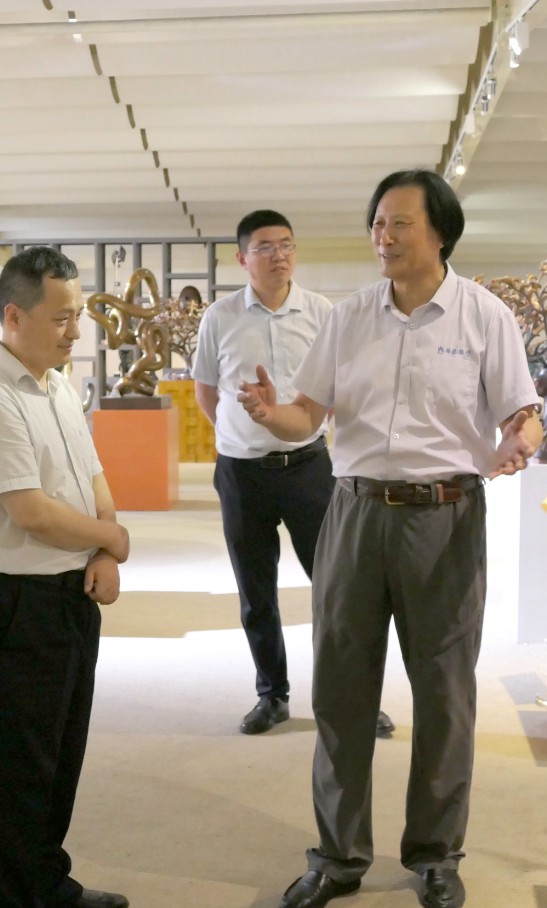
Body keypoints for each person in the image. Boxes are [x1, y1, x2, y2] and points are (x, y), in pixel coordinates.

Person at [238, 169, 541, 908]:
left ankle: (436, 854)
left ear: (441, 233)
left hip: (445, 518)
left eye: (399, 222)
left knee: (444, 692)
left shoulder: (484, 316)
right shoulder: (348, 317)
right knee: (341, 690)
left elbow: (522, 413)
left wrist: (521, 440)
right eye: (377, 222)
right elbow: (308, 414)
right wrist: (272, 415)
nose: (383, 235)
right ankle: (338, 856)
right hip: (354, 512)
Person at [0, 246, 130, 908]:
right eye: (61, 318)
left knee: (58, 752)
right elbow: (30, 512)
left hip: (68, 592)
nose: (74, 331)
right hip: (12, 599)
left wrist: (104, 545)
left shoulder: (58, 386)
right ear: (14, 317)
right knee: (12, 766)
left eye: (77, 315)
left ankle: (45, 879)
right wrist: (113, 539)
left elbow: (91, 476)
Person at [193, 209, 393, 738]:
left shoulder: (322, 312)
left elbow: (337, 389)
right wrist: (241, 434)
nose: (279, 255)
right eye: (265, 247)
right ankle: (272, 695)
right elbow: (206, 392)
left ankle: (352, 698)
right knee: (256, 592)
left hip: (308, 467)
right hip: (241, 474)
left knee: (337, 587)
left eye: (286, 245)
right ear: (242, 259)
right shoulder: (220, 317)